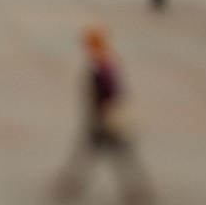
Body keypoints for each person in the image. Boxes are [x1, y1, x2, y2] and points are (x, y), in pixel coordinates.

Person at [51, 26, 153, 203]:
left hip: (104, 120)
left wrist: (98, 116)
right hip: (106, 119)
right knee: (119, 155)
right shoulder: (106, 62)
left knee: (101, 154)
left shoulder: (100, 67)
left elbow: (104, 94)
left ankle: (71, 185)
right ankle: (136, 191)